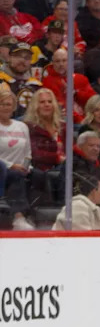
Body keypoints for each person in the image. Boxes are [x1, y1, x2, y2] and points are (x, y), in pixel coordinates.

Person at [0, 89, 31, 227]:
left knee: (39, 176)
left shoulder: (22, 126)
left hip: (20, 167)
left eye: (8, 104)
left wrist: (27, 166)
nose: (5, 107)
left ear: (13, 107)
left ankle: (36, 217)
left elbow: (28, 152)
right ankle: (19, 217)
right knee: (16, 175)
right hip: (3, 169)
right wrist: (11, 165)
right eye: (2, 104)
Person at [41, 48, 97, 124]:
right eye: (57, 61)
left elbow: (94, 101)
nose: (61, 64)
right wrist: (80, 120)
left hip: (86, 119)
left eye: (64, 60)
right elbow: (60, 107)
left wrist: (75, 93)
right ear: (53, 63)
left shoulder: (80, 78)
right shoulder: (48, 82)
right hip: (66, 123)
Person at [25, 87, 65, 173]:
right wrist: (57, 158)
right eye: (42, 102)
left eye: (50, 101)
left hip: (64, 168)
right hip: (42, 170)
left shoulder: (63, 126)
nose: (47, 104)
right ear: (35, 106)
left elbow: (71, 149)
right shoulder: (30, 127)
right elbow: (34, 154)